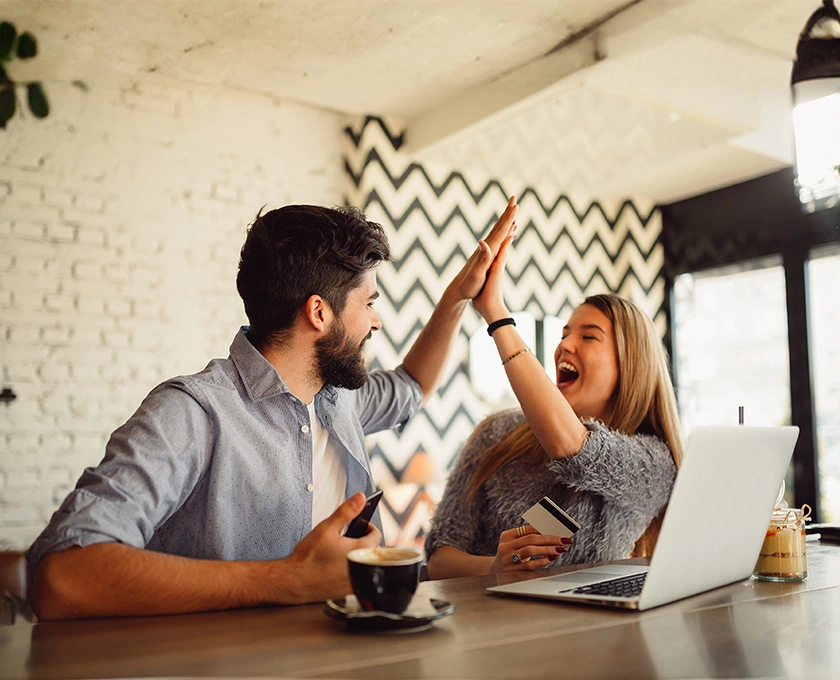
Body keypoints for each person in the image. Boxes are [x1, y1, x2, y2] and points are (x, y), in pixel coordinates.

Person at [27, 197, 519, 620]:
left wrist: (458, 296)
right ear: (319, 312)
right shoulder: (193, 413)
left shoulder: (339, 399)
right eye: (369, 302)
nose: (377, 321)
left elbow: (413, 385)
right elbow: (61, 577)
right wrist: (288, 581)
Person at [424, 228, 684, 579]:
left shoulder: (654, 462)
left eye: (588, 336)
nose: (565, 346)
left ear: (631, 364)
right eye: (563, 334)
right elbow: (439, 559)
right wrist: (496, 567)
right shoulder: (496, 433)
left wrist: (496, 314)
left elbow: (574, 449)